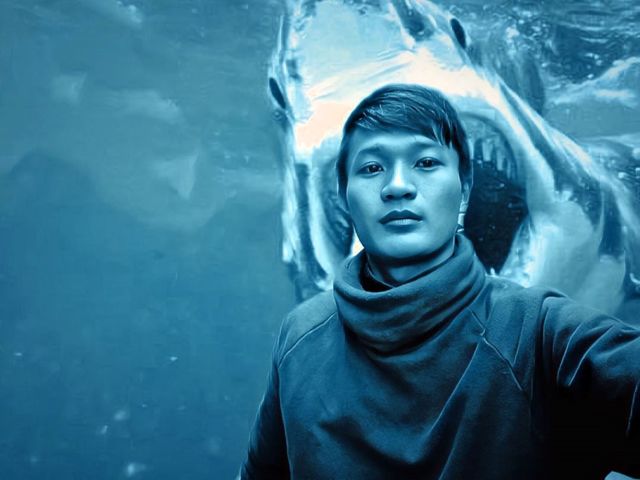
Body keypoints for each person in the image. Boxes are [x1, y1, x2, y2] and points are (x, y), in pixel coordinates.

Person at [240, 84, 640, 479]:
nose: (398, 186)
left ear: (465, 190)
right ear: (344, 196)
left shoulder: (541, 335)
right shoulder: (299, 337)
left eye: (426, 162)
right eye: (372, 168)